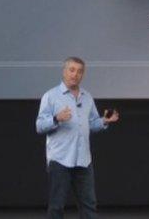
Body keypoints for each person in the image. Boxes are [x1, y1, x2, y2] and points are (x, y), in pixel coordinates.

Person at [36, 57, 119, 219]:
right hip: (60, 159)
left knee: (89, 205)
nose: (75, 74)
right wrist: (56, 118)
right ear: (64, 71)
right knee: (57, 206)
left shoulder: (87, 97)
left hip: (83, 160)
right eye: (71, 70)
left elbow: (92, 124)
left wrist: (104, 121)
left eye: (79, 71)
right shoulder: (51, 96)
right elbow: (39, 126)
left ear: (83, 74)